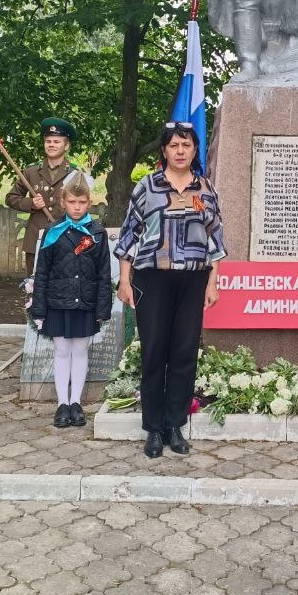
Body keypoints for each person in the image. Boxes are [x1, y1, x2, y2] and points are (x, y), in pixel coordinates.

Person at [115, 122, 225, 459]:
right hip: (153, 278)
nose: (180, 151)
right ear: (164, 150)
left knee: (183, 351)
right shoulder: (147, 187)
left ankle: (175, 425)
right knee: (154, 351)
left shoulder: (205, 189)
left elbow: (215, 237)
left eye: (186, 145)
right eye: (174, 145)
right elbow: (129, 234)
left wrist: (212, 281)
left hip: (192, 280)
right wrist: (124, 278)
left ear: (194, 151)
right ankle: (153, 428)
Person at [30, 172, 112, 428]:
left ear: (89, 203)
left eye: (82, 202)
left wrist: (102, 309)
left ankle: (76, 402)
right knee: (62, 351)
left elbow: (104, 274)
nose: (77, 207)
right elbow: (42, 272)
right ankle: (61, 404)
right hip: (58, 303)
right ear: (64, 203)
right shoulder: (54, 233)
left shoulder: (97, 233)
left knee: (80, 350)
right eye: (72, 202)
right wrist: (39, 309)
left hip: (85, 303)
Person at [6, 117, 83, 274]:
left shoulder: (76, 174)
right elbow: (11, 198)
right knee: (34, 288)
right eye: (48, 141)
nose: (52, 145)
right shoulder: (31, 171)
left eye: (56, 141)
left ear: (66, 145)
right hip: (36, 239)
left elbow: (82, 205)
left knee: (63, 287)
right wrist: (31, 203)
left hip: (65, 238)